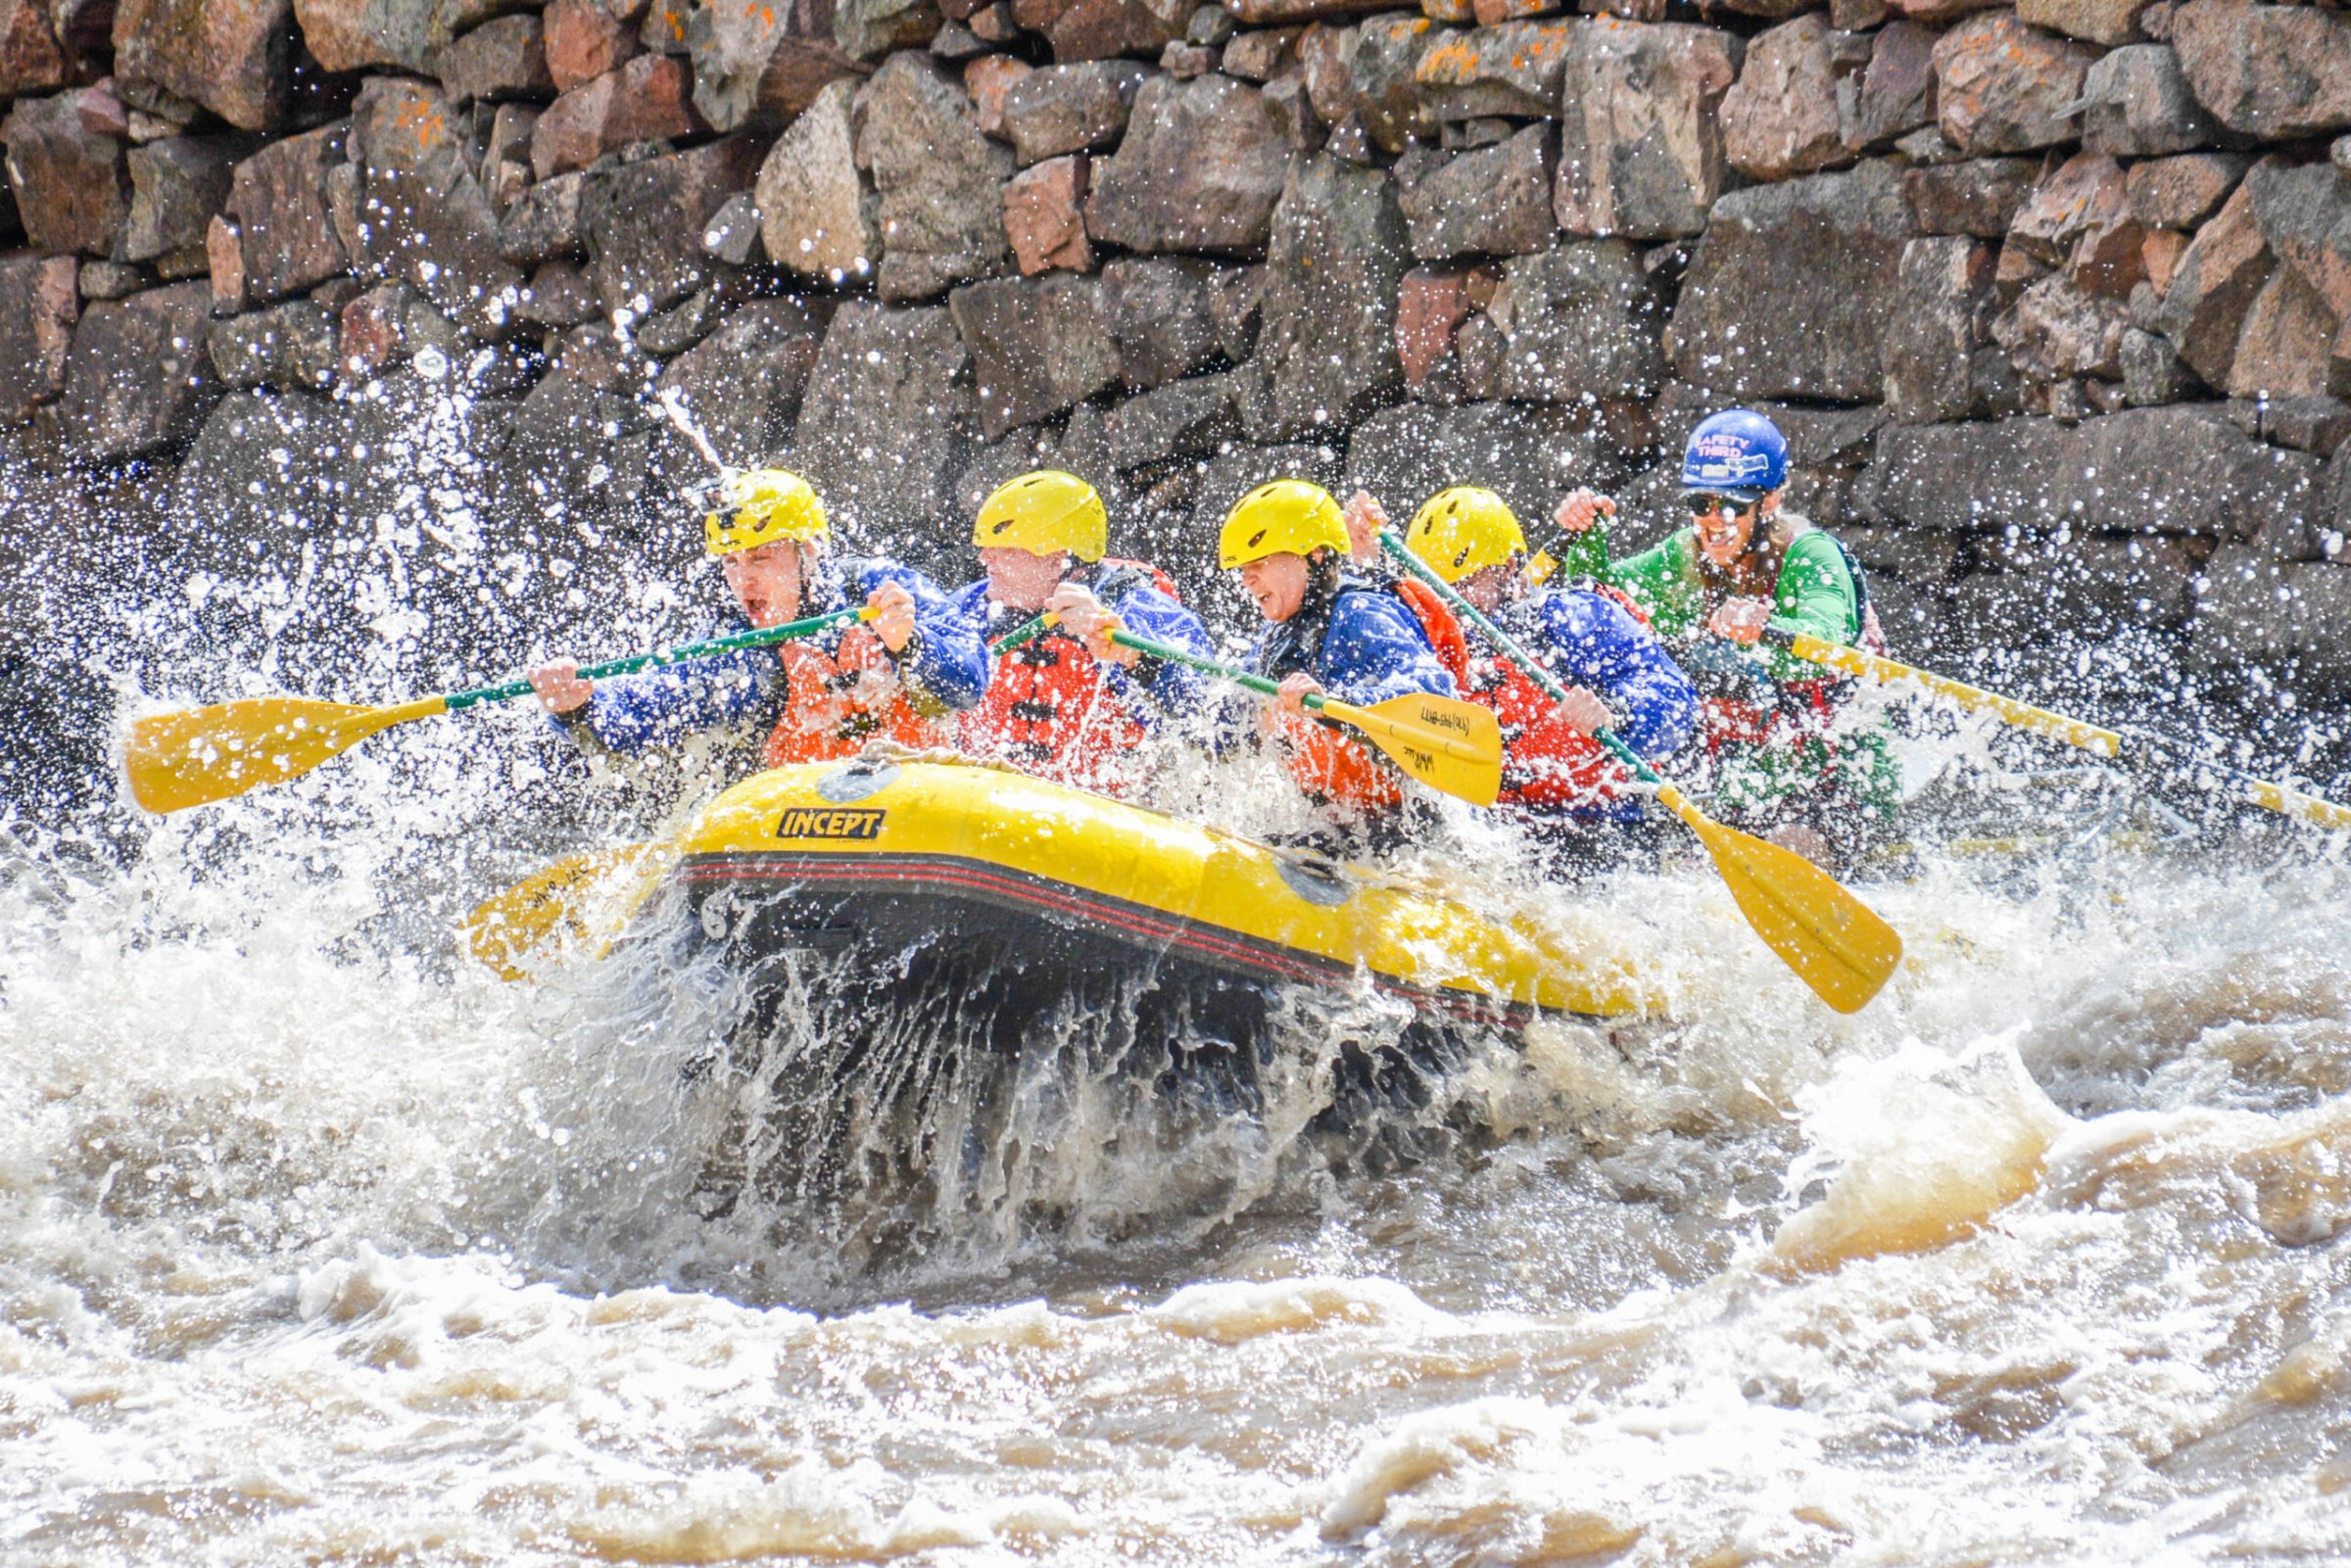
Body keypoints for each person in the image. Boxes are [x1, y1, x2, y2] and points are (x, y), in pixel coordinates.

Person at [1549, 408, 1895, 868]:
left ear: (1769, 502)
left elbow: (1826, 647)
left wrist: (1766, 627)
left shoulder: (1813, 556)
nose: (1714, 521)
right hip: (1747, 778)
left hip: (1839, 782)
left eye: (1732, 505)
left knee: (1788, 848)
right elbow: (1603, 605)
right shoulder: (1685, 558)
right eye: (1701, 504)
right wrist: (1588, 536)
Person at [528, 467, 986, 773]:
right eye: (730, 563)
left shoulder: (882, 588)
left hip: (921, 797)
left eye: (761, 559)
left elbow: (970, 683)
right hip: (807, 818)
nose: (743, 582)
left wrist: (911, 643)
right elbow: (648, 708)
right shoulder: (738, 648)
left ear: (808, 554)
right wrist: (580, 706)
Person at [1386, 485, 1698, 862]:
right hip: (1491, 833)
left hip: (1598, 831)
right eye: (1441, 594)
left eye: (1466, 588)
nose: (1453, 608)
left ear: (1510, 568)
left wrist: (1617, 713)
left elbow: (1674, 697)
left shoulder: (1573, 617)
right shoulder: (1431, 641)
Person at [1217, 479, 1460, 832]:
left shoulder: (1359, 611)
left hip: (1406, 827)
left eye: (1261, 562)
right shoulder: (1276, 637)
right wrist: (1138, 662)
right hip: (1333, 823)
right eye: (1243, 568)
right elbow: (1219, 732)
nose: (1248, 580)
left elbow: (1435, 690)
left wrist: (1336, 704)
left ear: (1313, 556)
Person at [950, 469, 1213, 794]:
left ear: (1058, 558)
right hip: (989, 797)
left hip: (1105, 808)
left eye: (1002, 548)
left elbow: (1206, 710)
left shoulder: (1135, 605)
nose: (984, 558)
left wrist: (1133, 655)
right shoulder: (972, 607)